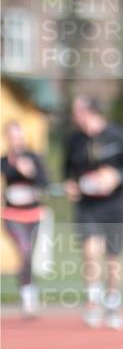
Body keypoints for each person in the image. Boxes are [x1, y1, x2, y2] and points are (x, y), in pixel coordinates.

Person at [63, 95, 123, 329]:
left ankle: (113, 304)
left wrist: (116, 176)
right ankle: (92, 302)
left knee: (113, 258)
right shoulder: (73, 140)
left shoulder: (117, 136)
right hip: (87, 206)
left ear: (88, 111)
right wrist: (70, 185)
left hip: (114, 205)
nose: (73, 115)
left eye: (76, 111)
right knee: (90, 251)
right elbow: (67, 172)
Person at [1, 120, 49, 317]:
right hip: (12, 215)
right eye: (11, 137)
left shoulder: (33, 158)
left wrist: (30, 172)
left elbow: (45, 183)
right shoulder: (3, 161)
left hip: (32, 214)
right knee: (24, 249)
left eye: (18, 136)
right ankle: (27, 296)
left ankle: (29, 292)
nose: (15, 141)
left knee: (28, 257)